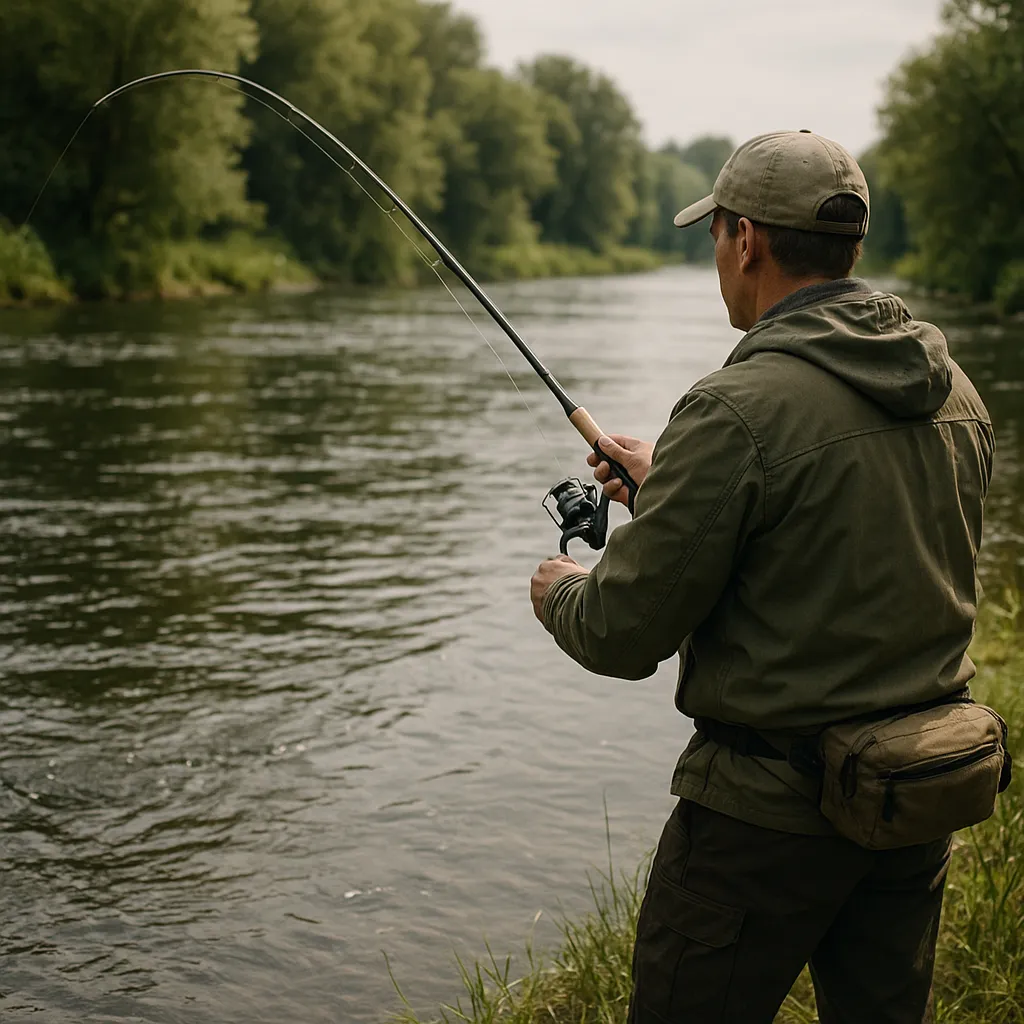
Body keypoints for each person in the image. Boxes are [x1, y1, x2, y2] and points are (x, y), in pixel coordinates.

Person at [528, 131, 996, 1023]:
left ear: (746, 241)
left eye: (715, 237)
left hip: (758, 828)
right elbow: (854, 539)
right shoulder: (958, 394)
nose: (717, 258)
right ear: (849, 246)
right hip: (915, 800)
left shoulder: (733, 409)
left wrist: (560, 590)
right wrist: (676, 487)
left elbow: (622, 634)